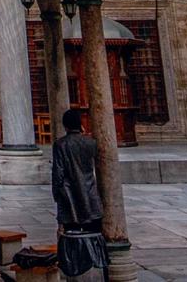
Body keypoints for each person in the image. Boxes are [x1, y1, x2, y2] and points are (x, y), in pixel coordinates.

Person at [50, 106, 108, 280]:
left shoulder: (60, 144)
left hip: (70, 197)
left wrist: (57, 194)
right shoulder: (90, 143)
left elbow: (58, 172)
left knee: (71, 236)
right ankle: (97, 269)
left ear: (65, 125)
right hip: (91, 195)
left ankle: (75, 270)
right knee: (93, 233)